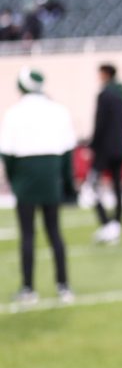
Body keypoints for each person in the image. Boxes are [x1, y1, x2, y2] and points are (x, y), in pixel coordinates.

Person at [0, 68, 76, 305]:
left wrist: (14, 181)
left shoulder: (13, 113)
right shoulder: (58, 110)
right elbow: (67, 152)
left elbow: (7, 154)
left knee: (27, 234)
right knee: (54, 232)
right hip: (51, 175)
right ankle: (63, 286)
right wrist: (67, 184)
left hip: (25, 176)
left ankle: (28, 288)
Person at [86, 63, 122, 244]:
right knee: (117, 187)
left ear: (105, 74)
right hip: (119, 147)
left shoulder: (105, 95)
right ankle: (117, 224)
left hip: (104, 149)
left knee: (91, 186)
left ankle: (106, 224)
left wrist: (93, 145)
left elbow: (100, 124)